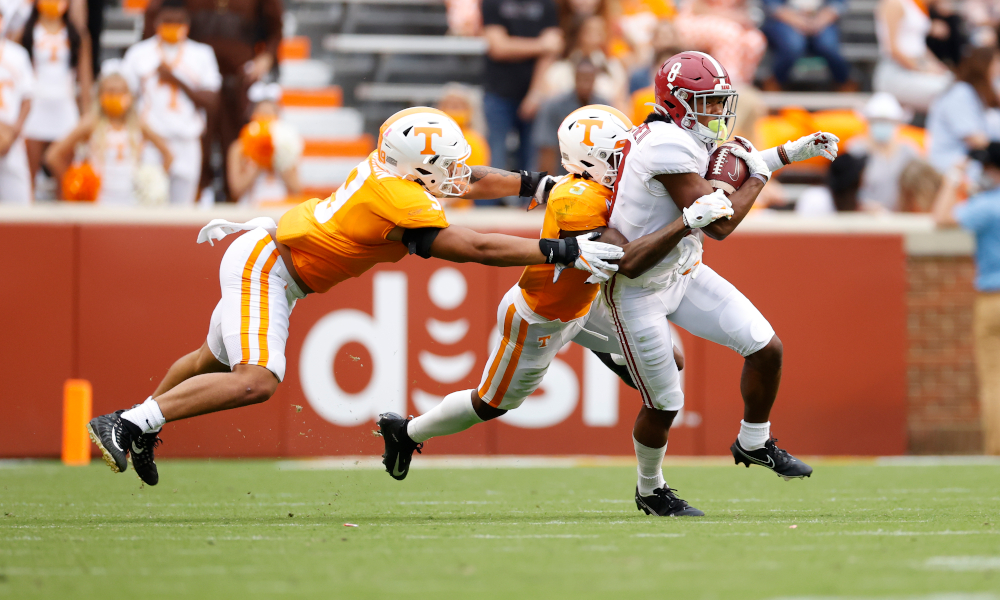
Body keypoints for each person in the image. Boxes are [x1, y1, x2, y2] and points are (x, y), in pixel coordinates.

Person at [85, 106, 624, 487]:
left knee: (212, 359)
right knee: (255, 380)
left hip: (267, 253)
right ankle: (132, 423)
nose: (459, 175)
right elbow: (474, 245)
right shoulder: (397, 197)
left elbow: (468, 179)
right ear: (417, 169)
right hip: (269, 268)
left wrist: (536, 184)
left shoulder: (391, 168)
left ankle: (139, 424)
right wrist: (559, 251)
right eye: (446, 167)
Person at [375, 105, 734, 483]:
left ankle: (604, 347)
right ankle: (405, 433)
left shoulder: (598, 183)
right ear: (592, 160)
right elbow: (622, 255)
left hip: (586, 305)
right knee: (492, 403)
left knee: (671, 360)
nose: (629, 159)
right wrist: (687, 219)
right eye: (619, 154)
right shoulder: (577, 198)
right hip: (543, 315)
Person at [602, 51, 839, 516]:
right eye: (706, 102)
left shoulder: (682, 135)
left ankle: (754, 441)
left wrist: (789, 152)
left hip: (682, 270)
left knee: (766, 348)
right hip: (639, 285)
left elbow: (731, 170)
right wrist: (768, 172)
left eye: (719, 101)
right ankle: (650, 490)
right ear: (676, 103)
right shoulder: (666, 145)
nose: (716, 112)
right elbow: (718, 222)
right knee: (665, 403)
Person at [142, 0, 283, 202]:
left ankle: (235, 220)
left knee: (236, 150)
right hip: (195, 85)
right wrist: (155, 50)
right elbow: (158, 11)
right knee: (198, 154)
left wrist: (267, 57)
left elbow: (276, 29)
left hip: (238, 82)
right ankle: (192, 217)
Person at [932, 143, 1000, 455]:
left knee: (994, 378)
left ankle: (997, 447)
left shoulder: (987, 205)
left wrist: (954, 179)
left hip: (993, 297)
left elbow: (942, 217)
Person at [121, 0, 220, 206]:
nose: (172, 26)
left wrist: (176, 80)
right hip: (151, 142)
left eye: (178, 21)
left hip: (187, 140)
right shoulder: (138, 54)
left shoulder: (202, 54)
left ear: (187, 23)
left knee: (182, 208)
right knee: (148, 203)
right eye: (167, 21)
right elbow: (126, 99)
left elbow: (212, 101)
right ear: (156, 22)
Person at [45, 67, 173, 206]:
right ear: (100, 95)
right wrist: (75, 184)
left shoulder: (139, 124)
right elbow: (53, 155)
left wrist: (153, 184)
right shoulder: (90, 123)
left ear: (129, 96)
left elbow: (168, 154)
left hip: (132, 202)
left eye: (121, 92)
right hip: (99, 202)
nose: (116, 96)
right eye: (110, 91)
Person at [481, 0, 562, 197]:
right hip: (498, 92)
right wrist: (541, 45)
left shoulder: (547, 4)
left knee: (532, 160)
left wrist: (535, 94)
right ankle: (487, 208)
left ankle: (528, 207)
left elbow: (554, 47)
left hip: (534, 94)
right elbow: (498, 47)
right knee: (494, 157)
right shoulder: (493, 2)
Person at [18, 0, 91, 198]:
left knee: (64, 173)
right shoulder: (25, 33)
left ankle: (64, 223)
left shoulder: (77, 36)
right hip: (36, 107)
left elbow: (85, 81)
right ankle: (29, 224)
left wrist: (87, 116)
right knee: (28, 175)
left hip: (64, 106)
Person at [927, 44, 1000, 175]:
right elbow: (975, 139)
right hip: (948, 166)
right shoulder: (960, 93)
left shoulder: (978, 96)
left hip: (969, 165)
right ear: (983, 65)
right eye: (996, 63)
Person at [227, 83, 302, 206]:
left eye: (269, 115)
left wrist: (279, 158)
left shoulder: (288, 146)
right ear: (252, 117)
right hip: (249, 209)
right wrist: (258, 159)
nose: (265, 120)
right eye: (261, 115)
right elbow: (236, 190)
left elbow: (297, 189)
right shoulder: (238, 147)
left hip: (278, 209)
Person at [847, 92, 921, 212]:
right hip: (865, 220)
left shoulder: (909, 151)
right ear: (868, 122)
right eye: (877, 120)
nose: (882, 124)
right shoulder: (856, 149)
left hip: (902, 219)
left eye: (887, 121)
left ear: (897, 123)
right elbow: (847, 191)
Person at [533, 58, 609, 175]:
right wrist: (549, 184)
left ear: (595, 80)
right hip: (561, 172)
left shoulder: (604, 108)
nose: (585, 84)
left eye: (589, 79)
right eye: (582, 79)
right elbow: (547, 149)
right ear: (575, 78)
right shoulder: (554, 106)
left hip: (594, 175)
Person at [874, 0, 952, 112]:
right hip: (896, 73)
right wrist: (924, 69)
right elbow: (892, 50)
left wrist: (938, 67)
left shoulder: (917, 5)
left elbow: (920, 47)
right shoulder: (895, 4)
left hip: (915, 69)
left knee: (953, 83)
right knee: (945, 91)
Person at [760, 0, 855, 91]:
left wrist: (819, 21)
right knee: (793, 45)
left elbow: (838, 3)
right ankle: (775, 83)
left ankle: (844, 83)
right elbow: (772, 5)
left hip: (822, 20)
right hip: (784, 21)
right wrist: (798, 21)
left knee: (828, 45)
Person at [540, 15, 629, 111]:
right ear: (577, 33)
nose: (594, 36)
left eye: (599, 31)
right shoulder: (559, 69)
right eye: (589, 31)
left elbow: (621, 105)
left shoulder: (613, 67)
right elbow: (549, 107)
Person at [672, 0, 768, 85]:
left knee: (755, 39)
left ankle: (742, 87)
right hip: (692, 20)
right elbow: (698, 8)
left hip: (730, 22)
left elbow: (745, 10)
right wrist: (729, 16)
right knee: (730, 33)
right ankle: (724, 84)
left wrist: (743, 18)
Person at [0, 10, 33, 204]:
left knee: (20, 201)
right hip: (6, 131)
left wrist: (13, 131)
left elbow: (27, 98)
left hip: (12, 138)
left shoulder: (17, 54)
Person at [437, 83, 490, 168]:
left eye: (456, 106)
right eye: (446, 105)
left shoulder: (474, 141)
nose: (451, 111)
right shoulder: (431, 138)